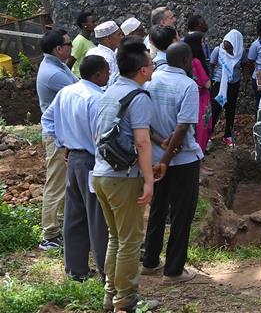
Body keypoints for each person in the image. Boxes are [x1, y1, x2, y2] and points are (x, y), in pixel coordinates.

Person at [93, 38, 158, 313]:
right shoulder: (139, 98)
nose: (153, 65)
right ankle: (126, 301)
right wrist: (149, 181)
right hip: (124, 177)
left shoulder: (108, 92)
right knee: (130, 241)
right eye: (150, 62)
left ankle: (111, 296)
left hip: (100, 174)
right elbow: (142, 143)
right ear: (142, 70)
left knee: (116, 238)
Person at [142, 42, 202, 284]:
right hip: (182, 159)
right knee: (181, 213)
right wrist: (168, 155)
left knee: (157, 208)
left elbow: (142, 121)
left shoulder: (149, 81)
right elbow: (183, 125)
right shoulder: (188, 85)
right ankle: (174, 270)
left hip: (155, 157)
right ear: (187, 61)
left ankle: (150, 261)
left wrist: (160, 143)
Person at [46, 54, 110, 280]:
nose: (109, 75)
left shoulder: (66, 92)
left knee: (75, 215)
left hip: (73, 159)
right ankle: (106, 272)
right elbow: (101, 136)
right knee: (97, 216)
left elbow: (47, 120)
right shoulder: (96, 98)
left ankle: (76, 269)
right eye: (107, 72)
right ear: (99, 74)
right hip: (92, 160)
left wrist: (61, 142)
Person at [36, 29, 78, 251]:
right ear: (58, 49)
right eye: (68, 44)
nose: (72, 47)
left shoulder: (57, 65)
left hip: (63, 134)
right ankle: (49, 234)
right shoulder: (53, 73)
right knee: (56, 183)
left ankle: (58, 227)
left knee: (64, 182)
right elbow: (80, 91)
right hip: (56, 136)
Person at [209, 29, 244, 147]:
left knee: (231, 109)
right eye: (226, 47)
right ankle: (208, 133)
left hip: (233, 83)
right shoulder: (218, 50)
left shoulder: (240, 52)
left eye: (229, 48)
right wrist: (211, 81)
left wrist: (243, 81)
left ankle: (228, 135)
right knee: (215, 109)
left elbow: (244, 66)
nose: (227, 50)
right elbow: (212, 65)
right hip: (219, 82)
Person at [184, 32, 212, 153]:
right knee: (202, 130)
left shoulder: (185, 61)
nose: (203, 44)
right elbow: (207, 83)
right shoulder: (196, 62)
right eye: (201, 42)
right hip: (201, 99)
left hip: (190, 99)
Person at [87, 21, 124, 87]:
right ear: (108, 39)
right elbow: (110, 85)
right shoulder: (107, 58)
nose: (122, 37)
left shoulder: (92, 51)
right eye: (119, 35)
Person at [71, 11, 97, 78]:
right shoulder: (79, 41)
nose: (96, 24)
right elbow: (69, 63)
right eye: (93, 22)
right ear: (84, 25)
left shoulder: (88, 39)